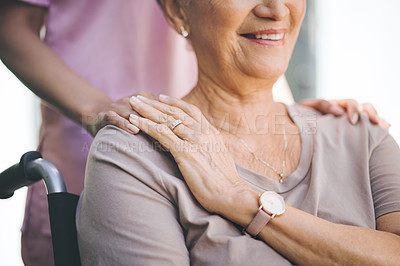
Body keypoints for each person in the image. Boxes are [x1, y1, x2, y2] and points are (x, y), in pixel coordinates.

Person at [0, 0, 389, 265]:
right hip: (118, 139)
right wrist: (97, 109)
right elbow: (10, 26)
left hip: (200, 112)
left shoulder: (359, 135)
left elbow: (253, 39)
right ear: (175, 9)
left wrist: (288, 112)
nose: (275, 8)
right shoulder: (125, 155)